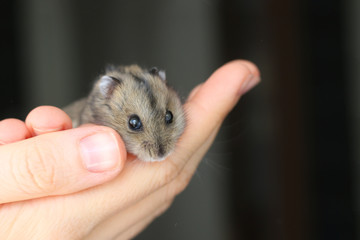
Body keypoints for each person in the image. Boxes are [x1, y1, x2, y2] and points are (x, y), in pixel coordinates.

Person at [0, 60, 260, 239]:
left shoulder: (160, 97)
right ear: (106, 96)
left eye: (168, 119)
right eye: (135, 124)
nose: (159, 147)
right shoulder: (91, 116)